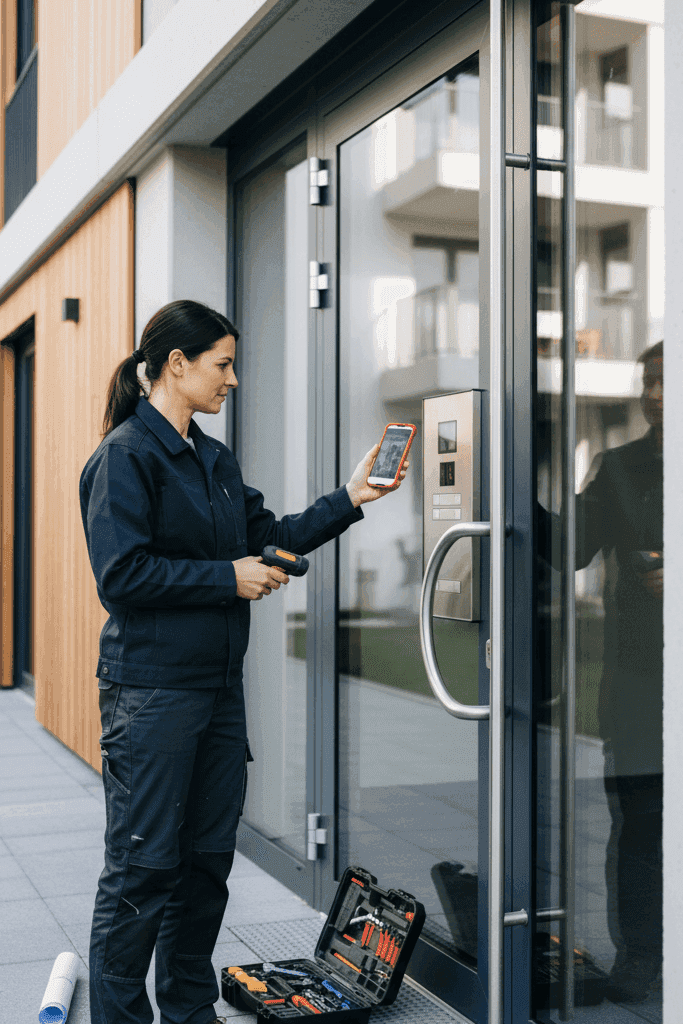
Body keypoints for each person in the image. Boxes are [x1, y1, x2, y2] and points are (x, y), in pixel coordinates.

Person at [79, 299, 405, 1024]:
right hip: (152, 697)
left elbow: (271, 534)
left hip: (218, 695)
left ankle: (190, 1012)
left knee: (202, 869)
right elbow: (122, 576)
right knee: (142, 872)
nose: (232, 379)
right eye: (222, 364)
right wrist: (228, 577)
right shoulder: (125, 457)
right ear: (176, 364)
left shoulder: (214, 458)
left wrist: (351, 497)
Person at [536, 340, 663, 1004]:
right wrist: (509, 494)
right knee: (639, 822)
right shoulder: (617, 467)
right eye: (648, 382)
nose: (654, 395)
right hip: (639, 683)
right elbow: (570, 547)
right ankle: (640, 956)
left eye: (667, 381)